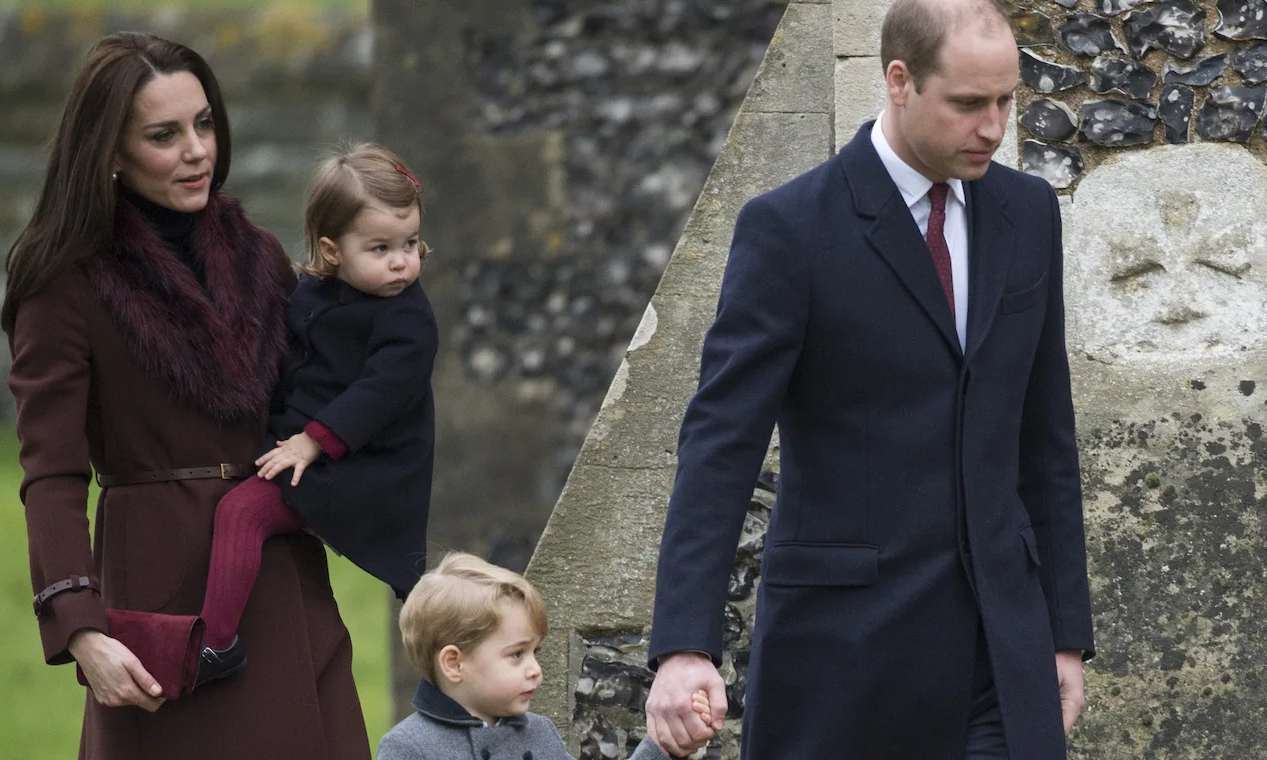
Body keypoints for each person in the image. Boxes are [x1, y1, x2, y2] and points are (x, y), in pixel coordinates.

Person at [643, 0, 1094, 757]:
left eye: (1006, 101)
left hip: (1002, 661)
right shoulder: (789, 229)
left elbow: (1045, 434)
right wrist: (685, 644)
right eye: (968, 103)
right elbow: (721, 443)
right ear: (898, 81)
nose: (993, 127)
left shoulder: (1029, 213)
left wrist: (1064, 633)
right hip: (843, 659)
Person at [4, 32, 370, 758]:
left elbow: (327, 397)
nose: (198, 150)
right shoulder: (66, 282)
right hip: (163, 597)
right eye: (164, 135)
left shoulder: (260, 257)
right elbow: (51, 471)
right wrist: (82, 628)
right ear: (110, 150)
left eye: (204, 123)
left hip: (282, 575)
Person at [193, 143, 439, 678]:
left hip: (363, 469)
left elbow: (379, 393)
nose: (402, 261)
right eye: (380, 248)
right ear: (331, 252)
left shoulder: (409, 320)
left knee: (243, 513)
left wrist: (312, 440)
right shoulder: (313, 294)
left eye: (411, 243)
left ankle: (216, 644)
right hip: (309, 450)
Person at [377, 553, 710, 760]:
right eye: (516, 654)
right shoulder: (407, 748)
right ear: (454, 663)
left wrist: (663, 745)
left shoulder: (539, 734)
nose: (535, 669)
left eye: (534, 652)